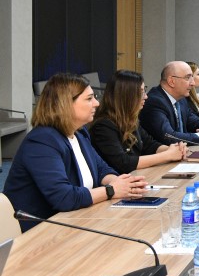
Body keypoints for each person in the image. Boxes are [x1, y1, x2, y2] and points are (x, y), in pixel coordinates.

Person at [3, 73, 147, 231]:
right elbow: (63, 197)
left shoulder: (79, 133)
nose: (97, 103)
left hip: (74, 221)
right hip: (38, 231)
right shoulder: (42, 141)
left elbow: (101, 169)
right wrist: (111, 190)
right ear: (65, 104)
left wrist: (124, 184)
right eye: (89, 98)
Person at [90, 69, 187, 174]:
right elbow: (124, 163)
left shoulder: (130, 119)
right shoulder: (103, 125)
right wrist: (167, 155)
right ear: (126, 96)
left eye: (144, 91)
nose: (146, 96)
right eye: (141, 93)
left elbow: (149, 145)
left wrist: (175, 150)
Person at [140, 61, 199, 145]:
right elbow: (169, 137)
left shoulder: (180, 98)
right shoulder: (154, 101)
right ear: (171, 81)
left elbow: (192, 120)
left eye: (192, 77)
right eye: (187, 78)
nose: (193, 83)